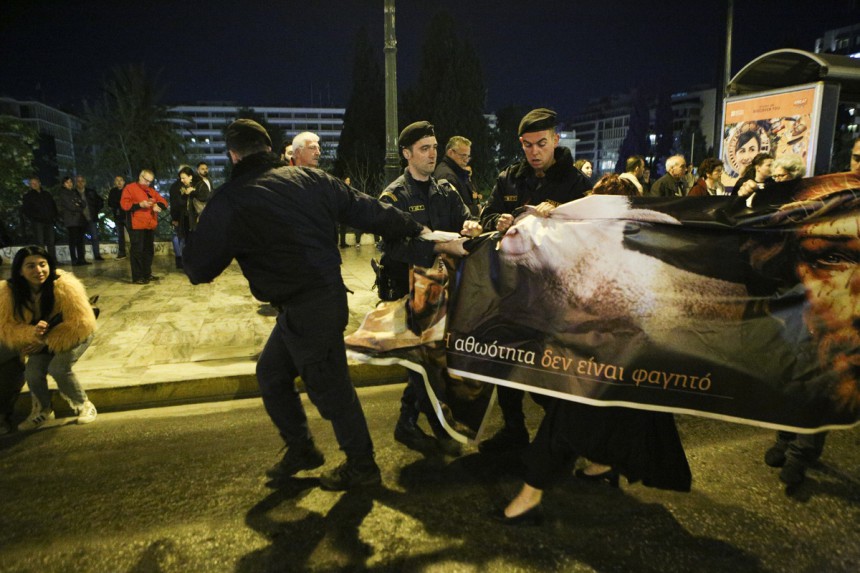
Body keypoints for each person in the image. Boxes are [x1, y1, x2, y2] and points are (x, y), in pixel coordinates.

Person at [183, 119, 431, 491]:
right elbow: (368, 210)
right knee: (271, 373)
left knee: (331, 388)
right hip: (314, 303)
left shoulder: (230, 200)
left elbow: (199, 268)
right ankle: (301, 448)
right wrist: (413, 227)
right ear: (269, 148)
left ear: (233, 155)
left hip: (308, 308)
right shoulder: (311, 180)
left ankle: (362, 466)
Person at [479, 108, 591, 453]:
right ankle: (514, 430)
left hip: (556, 292)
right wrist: (497, 219)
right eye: (527, 145)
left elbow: (591, 236)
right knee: (506, 361)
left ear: (556, 140)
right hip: (515, 288)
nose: (533, 152)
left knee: (550, 370)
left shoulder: (576, 182)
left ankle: (568, 436)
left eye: (541, 143)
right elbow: (486, 215)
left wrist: (556, 216)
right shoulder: (509, 178)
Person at [378, 121, 481, 457]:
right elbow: (391, 247)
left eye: (434, 147)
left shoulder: (445, 191)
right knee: (425, 361)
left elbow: (465, 220)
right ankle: (438, 427)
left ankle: (407, 423)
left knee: (428, 362)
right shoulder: (394, 196)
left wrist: (470, 225)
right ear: (406, 153)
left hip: (442, 289)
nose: (432, 153)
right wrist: (437, 248)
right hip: (407, 292)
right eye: (424, 148)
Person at [494, 398, 691, 525]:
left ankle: (530, 493)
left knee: (571, 409)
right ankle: (606, 461)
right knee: (589, 407)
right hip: (617, 350)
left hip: (615, 352)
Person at [0, 246, 98, 431]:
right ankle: (43, 410)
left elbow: (80, 322)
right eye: (30, 266)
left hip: (74, 333)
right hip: (39, 339)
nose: (38, 270)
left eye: (42, 264)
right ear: (20, 271)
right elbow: (5, 327)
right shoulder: (8, 291)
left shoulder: (64, 285)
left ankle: (83, 404)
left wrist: (43, 342)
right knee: (32, 372)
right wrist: (31, 335)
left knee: (58, 368)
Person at [120, 170, 168, 285]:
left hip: (149, 225)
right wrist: (139, 205)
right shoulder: (130, 188)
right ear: (140, 177)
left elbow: (164, 202)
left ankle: (147, 274)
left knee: (148, 250)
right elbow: (124, 205)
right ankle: (137, 277)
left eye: (150, 181)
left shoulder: (151, 191)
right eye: (146, 180)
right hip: (136, 224)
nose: (147, 183)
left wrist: (157, 205)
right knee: (137, 251)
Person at [170, 166, 210, 266]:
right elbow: (179, 203)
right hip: (187, 220)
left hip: (199, 219)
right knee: (188, 243)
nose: (182, 180)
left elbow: (205, 197)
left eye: (184, 178)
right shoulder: (183, 187)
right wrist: (185, 194)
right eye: (181, 178)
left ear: (190, 176)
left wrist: (193, 192)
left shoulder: (200, 184)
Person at [434, 135, 480, 215]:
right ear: (450, 152)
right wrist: (476, 209)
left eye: (468, 156)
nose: (466, 160)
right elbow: (452, 211)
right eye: (463, 155)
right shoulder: (447, 176)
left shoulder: (455, 172)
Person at [21, 175, 59, 261]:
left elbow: (53, 206)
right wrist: (35, 218)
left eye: (35, 183)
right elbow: (26, 210)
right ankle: (42, 260)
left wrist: (54, 217)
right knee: (40, 242)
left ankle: (53, 260)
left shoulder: (46, 194)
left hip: (49, 221)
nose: (33, 185)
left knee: (51, 242)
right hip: (37, 222)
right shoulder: (28, 196)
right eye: (31, 183)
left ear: (39, 183)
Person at [59, 176, 90, 266]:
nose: (70, 184)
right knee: (73, 241)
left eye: (70, 182)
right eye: (67, 182)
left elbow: (83, 203)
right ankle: (74, 259)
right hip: (71, 221)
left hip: (79, 220)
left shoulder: (74, 192)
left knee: (80, 240)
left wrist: (78, 204)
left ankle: (81, 259)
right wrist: (78, 205)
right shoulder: (63, 193)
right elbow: (71, 206)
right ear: (63, 184)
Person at [76, 176, 105, 260]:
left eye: (82, 181)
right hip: (80, 220)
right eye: (78, 181)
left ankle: (97, 255)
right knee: (81, 239)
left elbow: (100, 201)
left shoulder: (91, 192)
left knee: (95, 237)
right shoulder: (74, 193)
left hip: (91, 218)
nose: (80, 183)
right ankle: (82, 257)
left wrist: (96, 210)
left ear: (85, 182)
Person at [106, 176, 128, 259]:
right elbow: (110, 202)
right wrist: (119, 204)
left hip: (126, 216)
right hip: (117, 215)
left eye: (121, 180)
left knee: (132, 234)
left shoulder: (127, 191)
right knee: (120, 236)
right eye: (117, 181)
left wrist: (119, 203)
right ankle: (122, 253)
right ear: (115, 182)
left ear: (124, 182)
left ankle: (135, 252)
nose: (119, 182)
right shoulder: (113, 191)